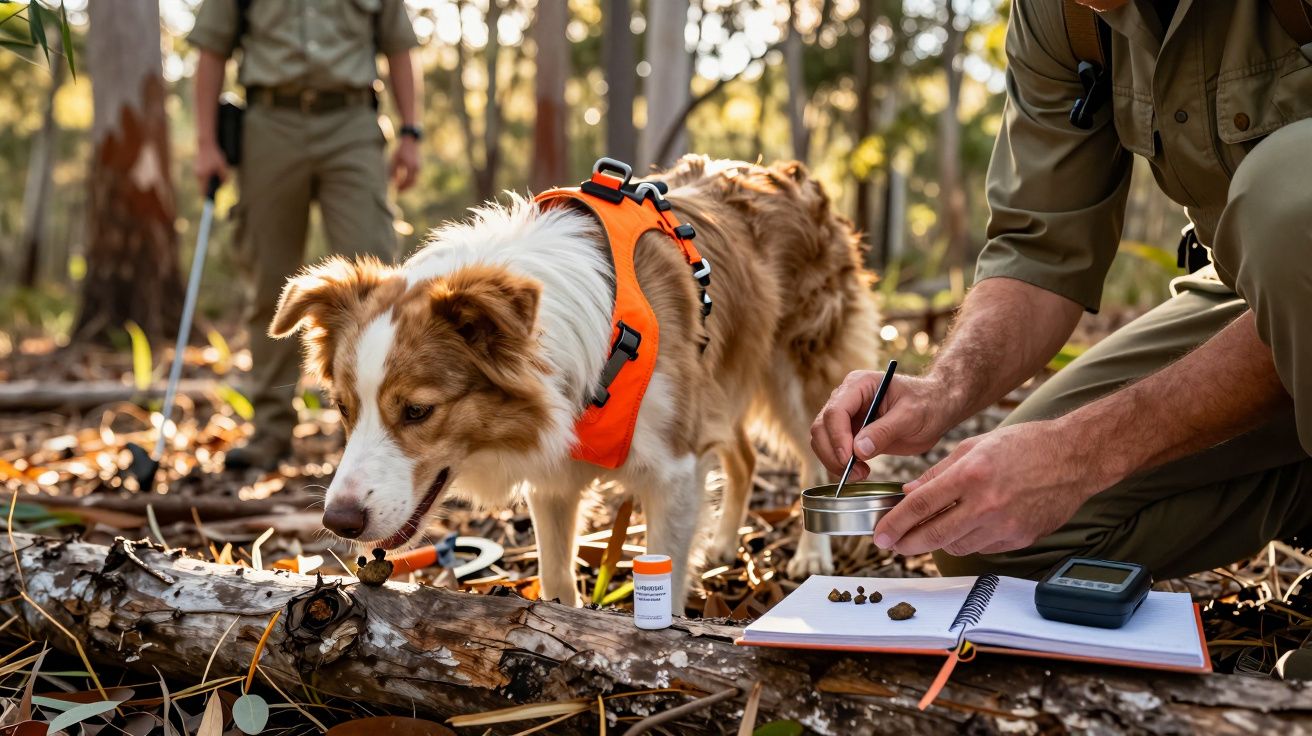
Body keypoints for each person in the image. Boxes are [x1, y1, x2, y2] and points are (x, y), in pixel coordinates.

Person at [811, 0, 1312, 581]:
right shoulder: (1062, 17)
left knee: (1289, 198)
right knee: (986, 538)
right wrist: (941, 390)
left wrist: (1080, 452)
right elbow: (1040, 251)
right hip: (1256, 295)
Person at [188, 0, 424, 470]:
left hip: (353, 122)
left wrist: (411, 133)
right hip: (269, 124)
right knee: (270, 288)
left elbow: (400, 47)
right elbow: (211, 51)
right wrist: (205, 142)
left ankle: (373, 431)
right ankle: (271, 432)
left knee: (377, 284)